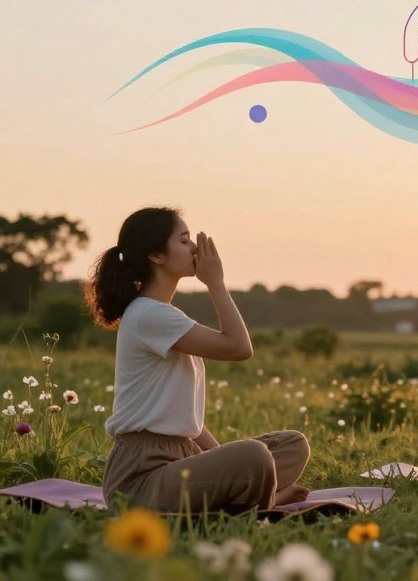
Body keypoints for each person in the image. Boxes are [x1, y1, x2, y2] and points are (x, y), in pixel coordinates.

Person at [85, 207, 310, 513]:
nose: (194, 248)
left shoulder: (163, 315)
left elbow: (184, 416)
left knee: (291, 445)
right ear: (157, 255)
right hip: (140, 480)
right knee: (255, 457)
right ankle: (267, 500)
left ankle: (248, 492)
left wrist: (223, 459)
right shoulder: (149, 315)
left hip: (183, 458)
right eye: (183, 240)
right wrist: (216, 283)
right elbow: (239, 347)